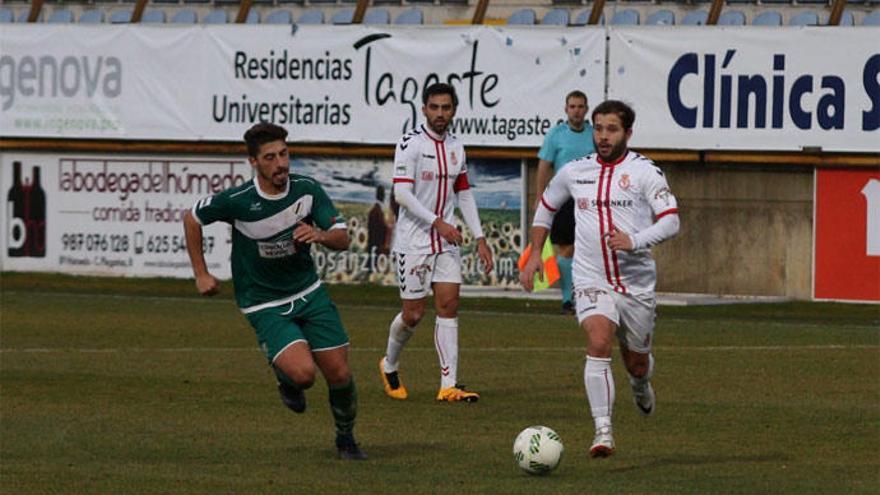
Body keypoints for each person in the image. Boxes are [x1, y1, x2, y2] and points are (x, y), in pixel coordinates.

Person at [183, 123, 366, 460]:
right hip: (263, 302)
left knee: (339, 373)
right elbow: (192, 217)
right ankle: (287, 380)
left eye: (284, 154)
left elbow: (341, 237)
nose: (281, 163)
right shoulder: (239, 201)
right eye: (270, 157)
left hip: (309, 293)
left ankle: (346, 440)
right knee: (304, 374)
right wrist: (201, 274)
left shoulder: (307, 190)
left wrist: (320, 235)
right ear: (254, 162)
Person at [520, 100, 680, 458]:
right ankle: (603, 430)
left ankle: (640, 385)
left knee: (636, 364)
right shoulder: (575, 171)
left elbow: (672, 220)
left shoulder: (645, 172)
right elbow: (546, 207)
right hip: (591, 277)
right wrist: (533, 256)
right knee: (598, 342)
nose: (603, 137)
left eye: (611, 129)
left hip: (635, 285)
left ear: (628, 133)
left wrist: (634, 241)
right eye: (598, 129)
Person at [379, 82, 494, 403]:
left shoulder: (457, 147)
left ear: (454, 110)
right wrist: (438, 222)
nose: (440, 113)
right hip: (414, 241)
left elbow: (464, 193)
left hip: (446, 242)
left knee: (449, 305)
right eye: (434, 107)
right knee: (414, 314)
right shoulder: (410, 144)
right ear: (424, 109)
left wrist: (480, 237)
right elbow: (402, 194)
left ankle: (448, 385)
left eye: (446, 107)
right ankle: (389, 364)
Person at [536, 90, 596, 315]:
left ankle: (579, 295)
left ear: (586, 109)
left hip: (589, 199)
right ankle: (567, 299)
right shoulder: (556, 135)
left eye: (580, 106)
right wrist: (540, 197)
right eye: (572, 106)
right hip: (563, 199)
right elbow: (544, 166)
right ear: (566, 109)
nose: (576, 111)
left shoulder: (594, 134)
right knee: (564, 248)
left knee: (583, 248)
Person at [367, 185, 388, 256]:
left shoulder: (373, 210)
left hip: (371, 244)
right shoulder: (379, 211)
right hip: (377, 246)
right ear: (383, 196)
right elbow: (382, 228)